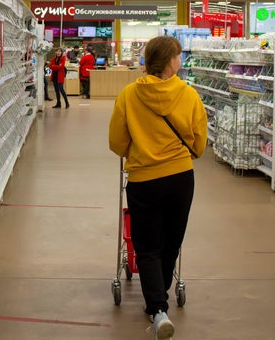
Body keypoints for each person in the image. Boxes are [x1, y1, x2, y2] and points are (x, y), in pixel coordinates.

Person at [108, 36, 207, 340]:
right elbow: (199, 143)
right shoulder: (188, 95)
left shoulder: (128, 95)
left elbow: (116, 142)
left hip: (143, 179)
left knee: (147, 246)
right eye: (178, 55)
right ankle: (159, 299)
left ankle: (157, 308)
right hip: (179, 177)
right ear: (169, 61)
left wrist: (137, 149)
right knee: (171, 241)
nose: (180, 60)